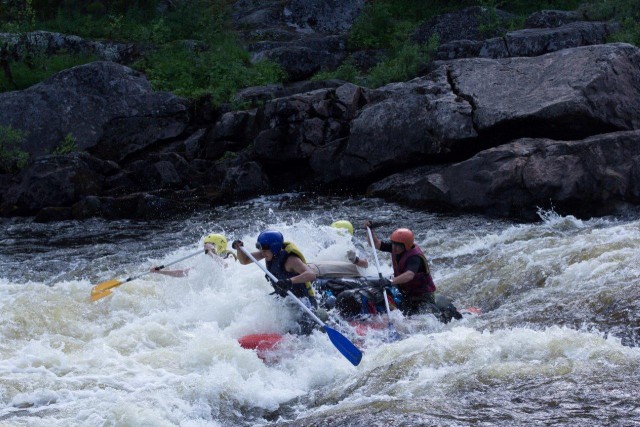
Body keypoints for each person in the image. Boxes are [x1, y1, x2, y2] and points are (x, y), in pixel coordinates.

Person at [365, 221, 462, 323]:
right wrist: (369, 231)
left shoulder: (415, 257)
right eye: (393, 244)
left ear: (406, 245)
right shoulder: (395, 247)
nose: (394, 247)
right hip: (407, 294)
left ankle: (445, 315)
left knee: (423, 319)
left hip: (423, 297)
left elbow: (409, 275)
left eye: (398, 246)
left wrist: (390, 281)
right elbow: (375, 244)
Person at [233, 230, 320, 335]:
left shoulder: (291, 260)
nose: (262, 252)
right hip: (284, 298)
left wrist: (289, 281)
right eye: (261, 249)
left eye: (264, 250)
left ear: (274, 248)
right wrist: (239, 249)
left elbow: (311, 274)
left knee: (303, 332)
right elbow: (244, 261)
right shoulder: (267, 253)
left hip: (303, 301)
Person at [151, 233, 236, 277]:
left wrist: (210, 253)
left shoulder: (229, 256)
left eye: (207, 245)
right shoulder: (205, 262)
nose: (204, 248)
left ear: (216, 246)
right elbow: (182, 273)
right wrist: (160, 272)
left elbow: (225, 265)